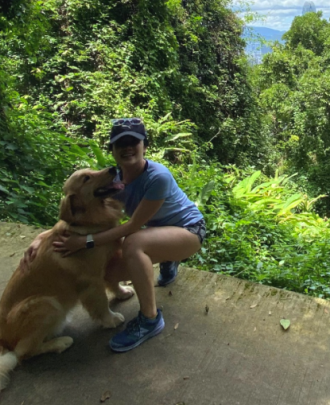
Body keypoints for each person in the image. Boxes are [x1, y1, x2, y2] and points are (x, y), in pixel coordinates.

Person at [20, 117, 206, 352]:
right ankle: (168, 257)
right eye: (121, 143)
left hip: (188, 230)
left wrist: (84, 242)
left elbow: (131, 227)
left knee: (133, 243)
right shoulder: (112, 180)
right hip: (158, 230)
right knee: (106, 270)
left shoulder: (158, 177)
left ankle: (150, 319)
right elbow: (78, 216)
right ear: (113, 150)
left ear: (144, 146)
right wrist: (42, 237)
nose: (128, 147)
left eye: (133, 141)